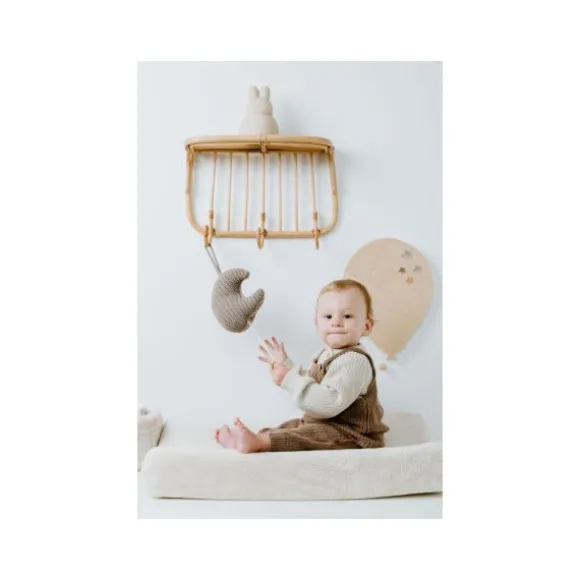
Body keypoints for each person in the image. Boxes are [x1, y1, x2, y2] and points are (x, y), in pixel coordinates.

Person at [215, 279, 389, 453]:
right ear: (317, 323)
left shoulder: (355, 361)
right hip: (323, 422)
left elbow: (330, 403)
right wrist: (286, 366)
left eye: (347, 316)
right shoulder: (323, 354)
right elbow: (312, 382)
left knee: (306, 435)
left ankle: (259, 442)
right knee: (293, 426)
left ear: (367, 326)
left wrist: (288, 379)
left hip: (352, 433)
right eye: (328, 316)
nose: (336, 322)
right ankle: (249, 439)